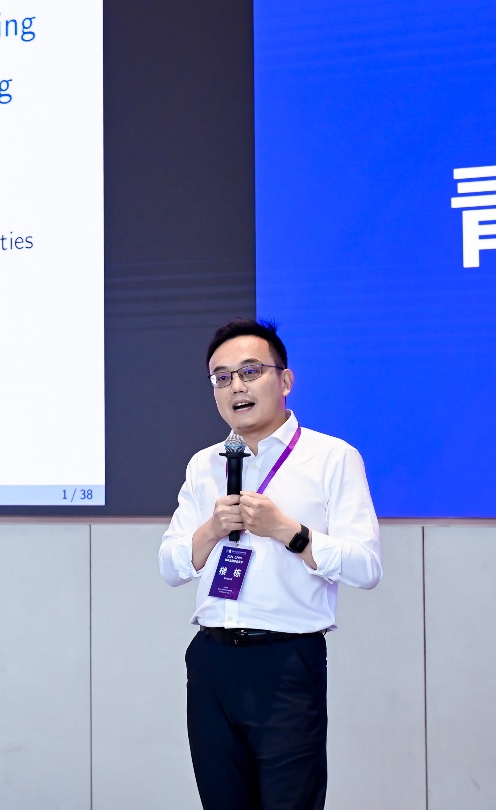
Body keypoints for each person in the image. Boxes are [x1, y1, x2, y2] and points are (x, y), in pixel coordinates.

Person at [158, 318, 382, 810]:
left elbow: (366, 567)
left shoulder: (332, 457)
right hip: (212, 660)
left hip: (286, 663)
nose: (236, 387)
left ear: (285, 380)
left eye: (250, 371)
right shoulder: (205, 464)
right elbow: (171, 567)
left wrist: (288, 531)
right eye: (222, 377)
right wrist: (212, 529)